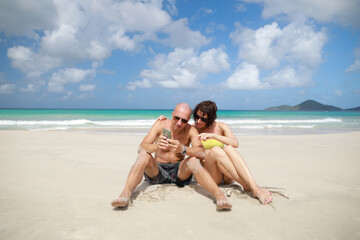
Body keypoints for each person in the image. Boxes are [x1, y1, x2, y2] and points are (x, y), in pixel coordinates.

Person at [111, 103, 232, 210]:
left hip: (179, 172)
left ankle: (219, 195)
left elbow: (201, 153)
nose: (179, 123)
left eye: (184, 120)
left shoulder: (191, 130)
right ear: (172, 114)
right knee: (143, 155)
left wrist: (183, 149)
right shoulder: (160, 124)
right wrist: (156, 147)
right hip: (157, 171)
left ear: (188, 120)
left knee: (193, 160)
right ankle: (125, 194)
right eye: (177, 118)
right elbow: (141, 147)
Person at [158, 100, 273, 204]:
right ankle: (253, 187)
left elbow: (235, 143)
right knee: (217, 150)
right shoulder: (193, 128)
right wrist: (164, 120)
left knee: (229, 148)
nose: (198, 121)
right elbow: (177, 125)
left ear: (211, 118)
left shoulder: (221, 127)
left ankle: (253, 186)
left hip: (228, 175)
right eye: (196, 117)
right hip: (213, 175)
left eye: (203, 119)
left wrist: (213, 136)